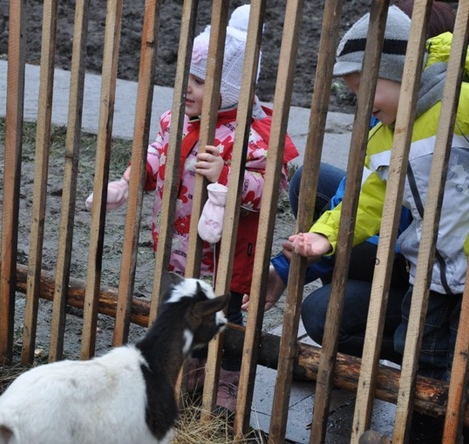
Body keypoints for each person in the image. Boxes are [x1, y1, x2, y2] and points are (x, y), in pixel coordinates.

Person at [285, 4, 469, 443]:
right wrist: (325, 235)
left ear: (398, 72)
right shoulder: (385, 137)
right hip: (431, 271)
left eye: (366, 92)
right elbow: (368, 197)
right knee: (418, 349)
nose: (361, 106)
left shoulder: (468, 105)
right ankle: (423, 430)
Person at [86, 4, 299, 415]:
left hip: (227, 257)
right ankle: (190, 372)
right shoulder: (178, 120)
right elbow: (157, 154)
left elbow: (271, 192)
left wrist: (228, 177)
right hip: (178, 245)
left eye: (199, 81)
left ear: (231, 87)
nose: (188, 87)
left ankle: (226, 383)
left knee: (223, 319)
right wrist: (129, 182)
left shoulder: (254, 138)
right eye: (189, 77)